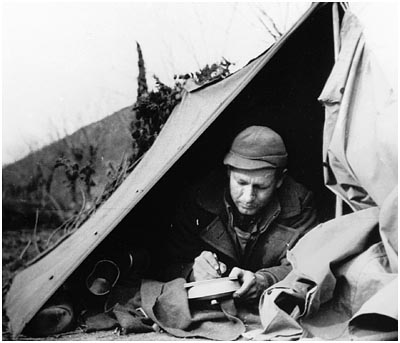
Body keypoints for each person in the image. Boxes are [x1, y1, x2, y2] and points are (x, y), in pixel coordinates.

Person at [164, 126, 318, 304]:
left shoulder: (299, 205)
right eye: (241, 182)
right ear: (228, 172)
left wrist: (265, 281)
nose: (248, 197)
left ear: (280, 180)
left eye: (261, 187)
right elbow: (166, 264)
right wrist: (192, 272)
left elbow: (308, 267)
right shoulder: (199, 200)